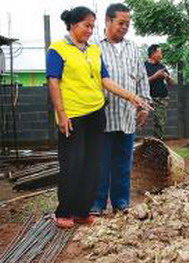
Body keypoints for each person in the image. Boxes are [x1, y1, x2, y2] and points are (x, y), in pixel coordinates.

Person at [46, 6, 151, 228]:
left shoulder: (93, 50)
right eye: (86, 25)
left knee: (92, 165)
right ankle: (64, 211)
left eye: (92, 26)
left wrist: (132, 97)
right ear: (73, 25)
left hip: (97, 113)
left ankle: (83, 211)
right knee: (73, 163)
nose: (90, 30)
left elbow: (105, 80)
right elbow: (53, 82)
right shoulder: (58, 49)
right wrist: (62, 114)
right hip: (73, 115)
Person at [89, 3, 151, 215]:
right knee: (100, 162)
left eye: (127, 23)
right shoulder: (93, 46)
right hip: (102, 116)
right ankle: (97, 204)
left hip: (127, 116)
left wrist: (144, 106)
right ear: (107, 21)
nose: (125, 27)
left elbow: (141, 78)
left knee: (123, 163)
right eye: (120, 23)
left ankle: (121, 202)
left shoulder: (133, 47)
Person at [145, 44, 174, 139]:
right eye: (160, 53)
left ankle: (158, 142)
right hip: (146, 97)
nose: (161, 55)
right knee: (142, 119)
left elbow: (171, 83)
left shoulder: (161, 66)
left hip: (161, 97)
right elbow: (141, 82)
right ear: (153, 54)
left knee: (160, 122)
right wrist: (156, 76)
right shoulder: (143, 66)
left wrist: (167, 77)